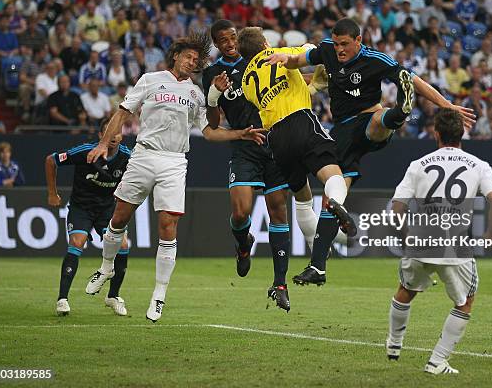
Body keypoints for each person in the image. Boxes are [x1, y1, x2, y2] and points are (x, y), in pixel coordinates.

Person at [84, 32, 266, 322]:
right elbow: (122, 113)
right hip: (143, 155)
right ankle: (106, 267)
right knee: (118, 219)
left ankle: (159, 295)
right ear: (176, 56)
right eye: (188, 56)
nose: (192, 62)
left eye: (196, 60)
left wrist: (240, 133)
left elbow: (209, 131)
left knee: (168, 226)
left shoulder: (195, 93)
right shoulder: (149, 79)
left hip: (173, 161)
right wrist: (105, 143)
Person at [266, 18, 475, 250]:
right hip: (343, 130)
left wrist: (446, 104)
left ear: (358, 40)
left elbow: (412, 80)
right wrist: (288, 60)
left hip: (366, 121)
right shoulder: (326, 50)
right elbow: (299, 61)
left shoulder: (375, 59)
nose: (339, 49)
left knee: (378, 118)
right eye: (336, 44)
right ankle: (325, 252)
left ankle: (399, 112)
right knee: (331, 193)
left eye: (344, 44)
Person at [386, 109, 492, 374]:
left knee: (406, 289)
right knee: (465, 301)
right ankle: (437, 361)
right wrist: (490, 236)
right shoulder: (478, 164)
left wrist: (405, 240)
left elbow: (396, 210)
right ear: (462, 133)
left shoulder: (418, 164)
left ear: (436, 134)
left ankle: (394, 345)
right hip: (456, 247)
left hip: (420, 241)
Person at [239, 26, 357, 287]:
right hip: (300, 120)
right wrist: (317, 70)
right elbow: (310, 53)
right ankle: (336, 205)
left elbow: (280, 90)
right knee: (333, 175)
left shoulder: (247, 81)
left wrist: (312, 85)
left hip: (276, 139)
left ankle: (318, 255)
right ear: (264, 44)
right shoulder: (280, 53)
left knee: (302, 199)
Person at [203, 20, 292, 311]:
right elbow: (214, 124)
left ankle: (280, 283)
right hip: (243, 145)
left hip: (274, 142)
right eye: (223, 40)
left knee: (278, 210)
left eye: (233, 38)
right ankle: (244, 244)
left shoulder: (262, 60)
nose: (229, 43)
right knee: (240, 212)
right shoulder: (213, 73)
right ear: (216, 44)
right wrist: (214, 95)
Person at [45, 120, 132, 316]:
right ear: (101, 135)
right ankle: (62, 299)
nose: (113, 137)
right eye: (109, 133)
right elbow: (51, 160)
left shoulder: (128, 156)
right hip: (81, 207)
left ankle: (113, 296)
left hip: (107, 210)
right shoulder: (85, 151)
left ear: (121, 136)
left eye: (117, 133)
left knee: (124, 245)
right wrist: (52, 193)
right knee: (77, 241)